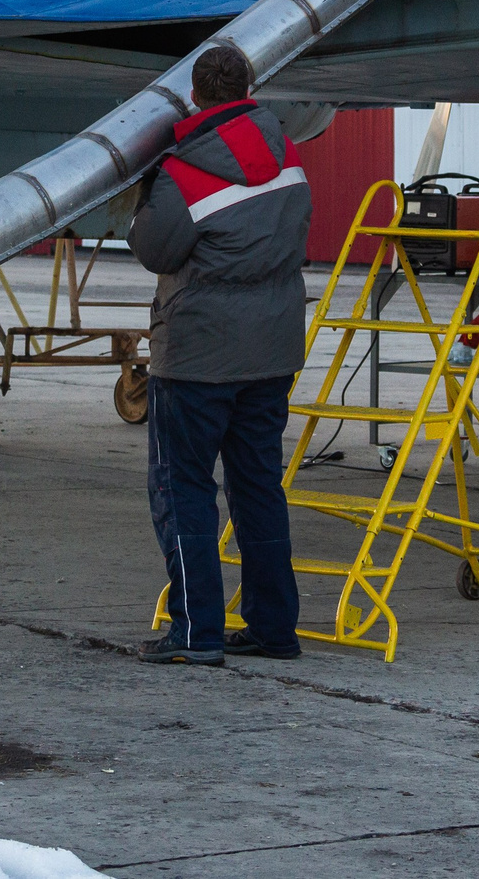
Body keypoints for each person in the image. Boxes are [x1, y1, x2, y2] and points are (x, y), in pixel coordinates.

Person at [130, 43, 315, 666]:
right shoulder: (287, 153)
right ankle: (273, 627)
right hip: (272, 348)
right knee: (259, 486)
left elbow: (154, 251)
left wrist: (143, 203)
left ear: (194, 96)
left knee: (182, 487)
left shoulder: (182, 170)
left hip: (198, 355)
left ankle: (196, 631)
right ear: (248, 89)